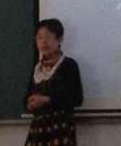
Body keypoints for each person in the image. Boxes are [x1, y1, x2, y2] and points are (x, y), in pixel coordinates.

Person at [24, 18, 83, 146]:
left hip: (60, 129)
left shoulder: (69, 65)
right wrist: (29, 104)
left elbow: (77, 98)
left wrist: (46, 100)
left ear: (59, 39)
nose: (44, 42)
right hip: (38, 130)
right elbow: (26, 99)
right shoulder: (37, 68)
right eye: (39, 38)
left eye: (48, 37)